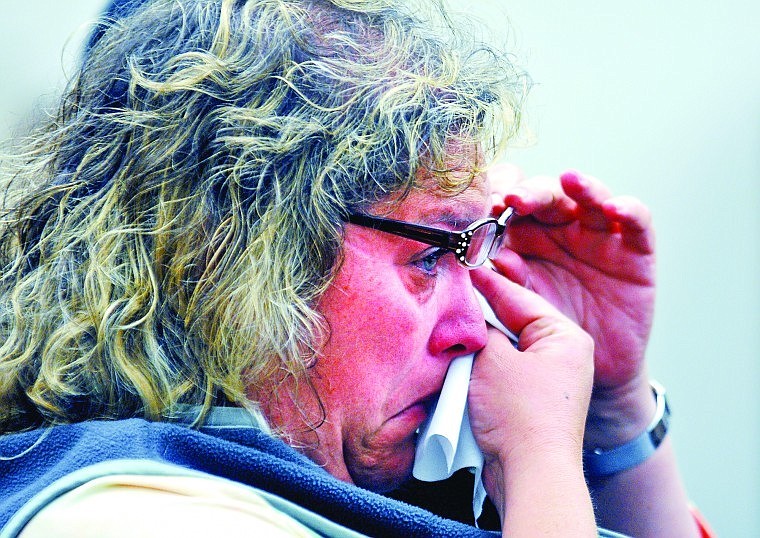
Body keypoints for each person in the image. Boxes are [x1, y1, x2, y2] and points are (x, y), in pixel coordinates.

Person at [0, 0, 712, 536]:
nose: (475, 327)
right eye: (432, 253)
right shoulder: (131, 514)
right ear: (235, 251)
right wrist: (540, 467)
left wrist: (613, 418)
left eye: (476, 248)